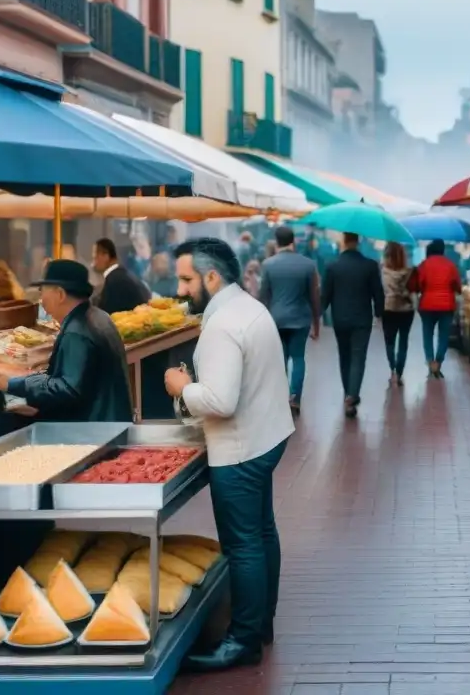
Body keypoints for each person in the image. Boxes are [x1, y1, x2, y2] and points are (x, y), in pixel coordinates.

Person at [163, 238, 293, 672]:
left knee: (243, 545)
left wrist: (182, 387)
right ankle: (261, 623)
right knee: (261, 533)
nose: (180, 290)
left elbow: (220, 400)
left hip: (240, 448)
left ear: (212, 277)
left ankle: (242, 641)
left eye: (186, 279)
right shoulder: (247, 308)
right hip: (266, 436)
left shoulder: (221, 325)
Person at [0, 260, 133, 422]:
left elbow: (68, 389)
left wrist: (12, 385)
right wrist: (34, 396)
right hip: (108, 423)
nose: (42, 301)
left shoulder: (76, 332)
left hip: (92, 431)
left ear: (60, 294)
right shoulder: (98, 316)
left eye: (42, 292)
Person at [322, 232, 384, 418]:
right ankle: (352, 394)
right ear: (357, 242)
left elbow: (325, 295)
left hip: (339, 319)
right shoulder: (370, 266)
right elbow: (378, 293)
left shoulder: (332, 266)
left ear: (343, 242)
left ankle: (348, 393)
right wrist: (379, 314)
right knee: (358, 357)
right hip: (362, 319)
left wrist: (318, 316)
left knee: (344, 356)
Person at [260, 226, 321, 411]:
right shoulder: (308, 265)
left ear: (276, 242)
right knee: (298, 358)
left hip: (276, 319)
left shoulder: (268, 265)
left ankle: (281, 398)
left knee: (281, 360)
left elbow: (264, 296)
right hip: (300, 319)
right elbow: (314, 297)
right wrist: (316, 324)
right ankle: (295, 398)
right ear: (293, 241)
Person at [411, 239, 461, 379]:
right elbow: (457, 286)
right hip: (446, 305)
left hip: (427, 305)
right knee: (443, 335)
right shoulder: (450, 265)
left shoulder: (424, 265)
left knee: (427, 334)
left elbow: (417, 286)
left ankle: (430, 361)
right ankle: (438, 362)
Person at [380, 241, 415, 386]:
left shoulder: (382, 271)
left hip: (388, 308)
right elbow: (414, 289)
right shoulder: (409, 272)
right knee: (403, 340)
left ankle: (393, 368)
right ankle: (399, 372)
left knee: (389, 341)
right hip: (406, 309)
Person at [92, 237, 151, 315]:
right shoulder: (123, 275)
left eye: (95, 258)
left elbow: (105, 314)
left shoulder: (114, 281)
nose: (92, 264)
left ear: (105, 256)